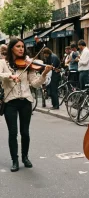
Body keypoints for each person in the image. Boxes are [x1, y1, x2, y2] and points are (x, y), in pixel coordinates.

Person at [0, 38, 52, 172]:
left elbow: (34, 83)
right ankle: (15, 160)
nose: (21, 49)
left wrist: (44, 74)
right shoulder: (3, 63)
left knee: (25, 132)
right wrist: (10, 76)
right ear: (12, 48)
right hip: (10, 101)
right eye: (18, 46)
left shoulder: (28, 64)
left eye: (22, 46)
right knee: (13, 132)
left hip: (26, 101)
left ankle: (25, 157)